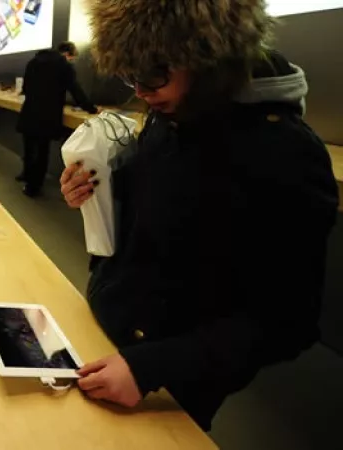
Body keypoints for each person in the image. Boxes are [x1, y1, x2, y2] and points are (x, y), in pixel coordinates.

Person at [60, 0, 338, 431]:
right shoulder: (167, 116)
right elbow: (150, 208)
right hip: (103, 328)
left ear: (207, 58)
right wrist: (91, 190)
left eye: (153, 74)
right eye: (129, 76)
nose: (142, 91)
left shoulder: (286, 153)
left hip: (169, 377)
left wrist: (149, 368)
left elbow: (289, 321)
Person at [17, 41, 97, 197]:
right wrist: (91, 108)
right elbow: (75, 89)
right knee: (41, 152)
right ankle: (33, 187)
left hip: (29, 111)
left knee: (28, 147)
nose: (71, 61)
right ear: (67, 54)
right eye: (72, 58)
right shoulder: (63, 66)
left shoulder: (33, 62)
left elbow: (25, 88)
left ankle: (25, 175)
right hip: (47, 114)